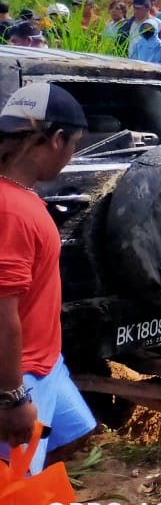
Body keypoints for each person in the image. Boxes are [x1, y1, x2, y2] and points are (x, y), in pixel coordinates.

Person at [0, 84, 96, 475]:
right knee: (14, 480)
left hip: (47, 365)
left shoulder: (22, 197)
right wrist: (11, 398)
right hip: (20, 376)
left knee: (77, 435)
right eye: (74, 144)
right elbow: (3, 316)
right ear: (56, 139)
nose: (72, 155)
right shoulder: (12, 211)